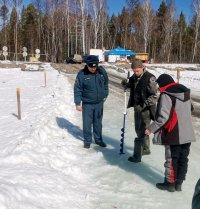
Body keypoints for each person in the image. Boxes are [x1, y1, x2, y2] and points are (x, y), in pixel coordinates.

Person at [145, 74, 196, 192]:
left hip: (174, 133)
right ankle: (179, 184)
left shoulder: (166, 95)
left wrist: (150, 129)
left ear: (162, 84)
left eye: (159, 85)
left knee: (172, 159)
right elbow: (191, 108)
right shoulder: (185, 92)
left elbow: (163, 118)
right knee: (183, 158)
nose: (158, 87)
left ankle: (169, 183)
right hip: (187, 132)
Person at [121, 59, 157, 163]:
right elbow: (130, 85)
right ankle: (145, 149)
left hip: (145, 109)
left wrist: (143, 105)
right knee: (138, 129)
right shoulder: (134, 77)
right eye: (134, 71)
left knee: (142, 131)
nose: (136, 73)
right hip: (137, 107)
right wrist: (125, 84)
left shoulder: (150, 78)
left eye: (137, 71)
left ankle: (137, 156)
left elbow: (154, 96)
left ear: (142, 68)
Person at [74, 55, 109, 149]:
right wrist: (78, 103)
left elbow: (106, 83)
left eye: (95, 66)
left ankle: (98, 139)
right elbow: (77, 89)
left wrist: (105, 94)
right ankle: (87, 141)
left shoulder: (101, 72)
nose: (93, 69)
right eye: (91, 67)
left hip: (99, 103)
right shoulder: (82, 74)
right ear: (87, 65)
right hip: (87, 104)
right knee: (87, 124)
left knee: (98, 123)